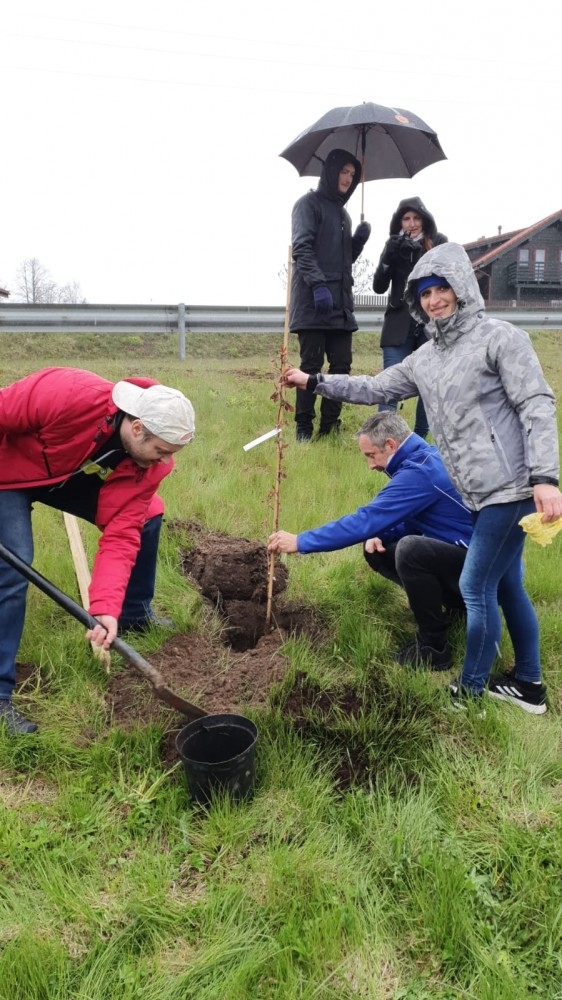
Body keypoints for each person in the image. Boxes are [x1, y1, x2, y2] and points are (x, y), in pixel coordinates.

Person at [282, 242, 562, 714]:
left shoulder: (501, 338)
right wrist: (313, 381)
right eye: (425, 292)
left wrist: (545, 476)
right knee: (507, 586)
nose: (434, 300)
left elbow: (536, 403)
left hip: (510, 485)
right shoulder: (425, 358)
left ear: (463, 288)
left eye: (442, 288)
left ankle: (470, 690)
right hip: (478, 493)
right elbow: (373, 388)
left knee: (475, 587)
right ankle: (530, 686)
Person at [0, 367, 195, 735]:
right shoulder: (68, 394)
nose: (164, 462)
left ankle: (134, 614)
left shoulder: (151, 465)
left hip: (75, 482)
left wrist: (105, 608)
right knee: (14, 563)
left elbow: (122, 536)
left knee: (148, 517)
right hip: (11, 474)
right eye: (160, 451)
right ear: (137, 428)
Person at [268, 411, 472, 670]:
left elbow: (364, 520)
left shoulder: (420, 473)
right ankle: (453, 606)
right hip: (469, 559)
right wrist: (383, 534)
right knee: (379, 548)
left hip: (484, 573)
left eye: (371, 455)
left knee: (411, 551)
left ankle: (434, 648)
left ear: (391, 445)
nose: (371, 465)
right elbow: (419, 516)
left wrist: (300, 541)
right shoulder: (424, 458)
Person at [289, 147, 371, 442]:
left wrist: (357, 243)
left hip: (340, 306)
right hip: (314, 302)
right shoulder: (307, 205)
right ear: (330, 172)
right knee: (310, 367)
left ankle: (329, 427)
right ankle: (303, 428)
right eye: (344, 172)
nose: (348, 178)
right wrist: (318, 286)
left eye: (353, 174)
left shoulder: (344, 215)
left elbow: (342, 261)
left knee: (341, 368)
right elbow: (302, 248)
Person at [372, 197, 447, 438]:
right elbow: (378, 286)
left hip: (430, 326)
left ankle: (420, 440)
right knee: (389, 386)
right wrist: (387, 259)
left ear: (424, 219)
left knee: (429, 387)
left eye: (416, 218)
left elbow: (448, 281)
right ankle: (385, 440)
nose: (412, 223)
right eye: (406, 218)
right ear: (399, 221)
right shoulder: (393, 244)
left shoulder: (438, 242)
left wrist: (425, 254)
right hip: (398, 326)